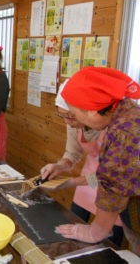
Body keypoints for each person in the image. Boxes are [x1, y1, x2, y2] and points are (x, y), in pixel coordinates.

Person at [55, 67, 140, 256]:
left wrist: (96, 231)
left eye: (75, 115)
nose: (72, 121)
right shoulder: (124, 111)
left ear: (92, 111)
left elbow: (115, 185)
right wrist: (69, 178)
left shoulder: (126, 129)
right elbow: (109, 174)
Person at [40, 79, 123, 246]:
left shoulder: (116, 127)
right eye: (62, 115)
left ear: (87, 110)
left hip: (116, 189)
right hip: (87, 183)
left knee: (109, 242)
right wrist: (60, 165)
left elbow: (110, 177)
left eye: (70, 116)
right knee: (73, 231)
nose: (67, 121)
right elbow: (73, 152)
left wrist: (70, 182)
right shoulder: (73, 120)